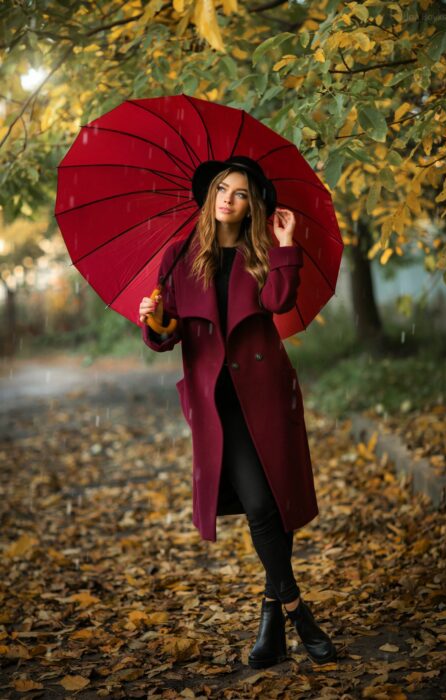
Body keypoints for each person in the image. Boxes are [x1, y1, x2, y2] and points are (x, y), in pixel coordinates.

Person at [138, 156, 336, 669]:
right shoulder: (181, 256)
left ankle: (272, 622)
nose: (228, 198)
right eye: (222, 189)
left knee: (277, 500)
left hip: (266, 392)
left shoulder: (260, 250)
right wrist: (155, 320)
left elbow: (278, 299)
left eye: (241, 192)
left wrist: (287, 245)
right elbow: (167, 334)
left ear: (253, 204)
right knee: (262, 507)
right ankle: (298, 613)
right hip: (217, 402)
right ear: (209, 196)